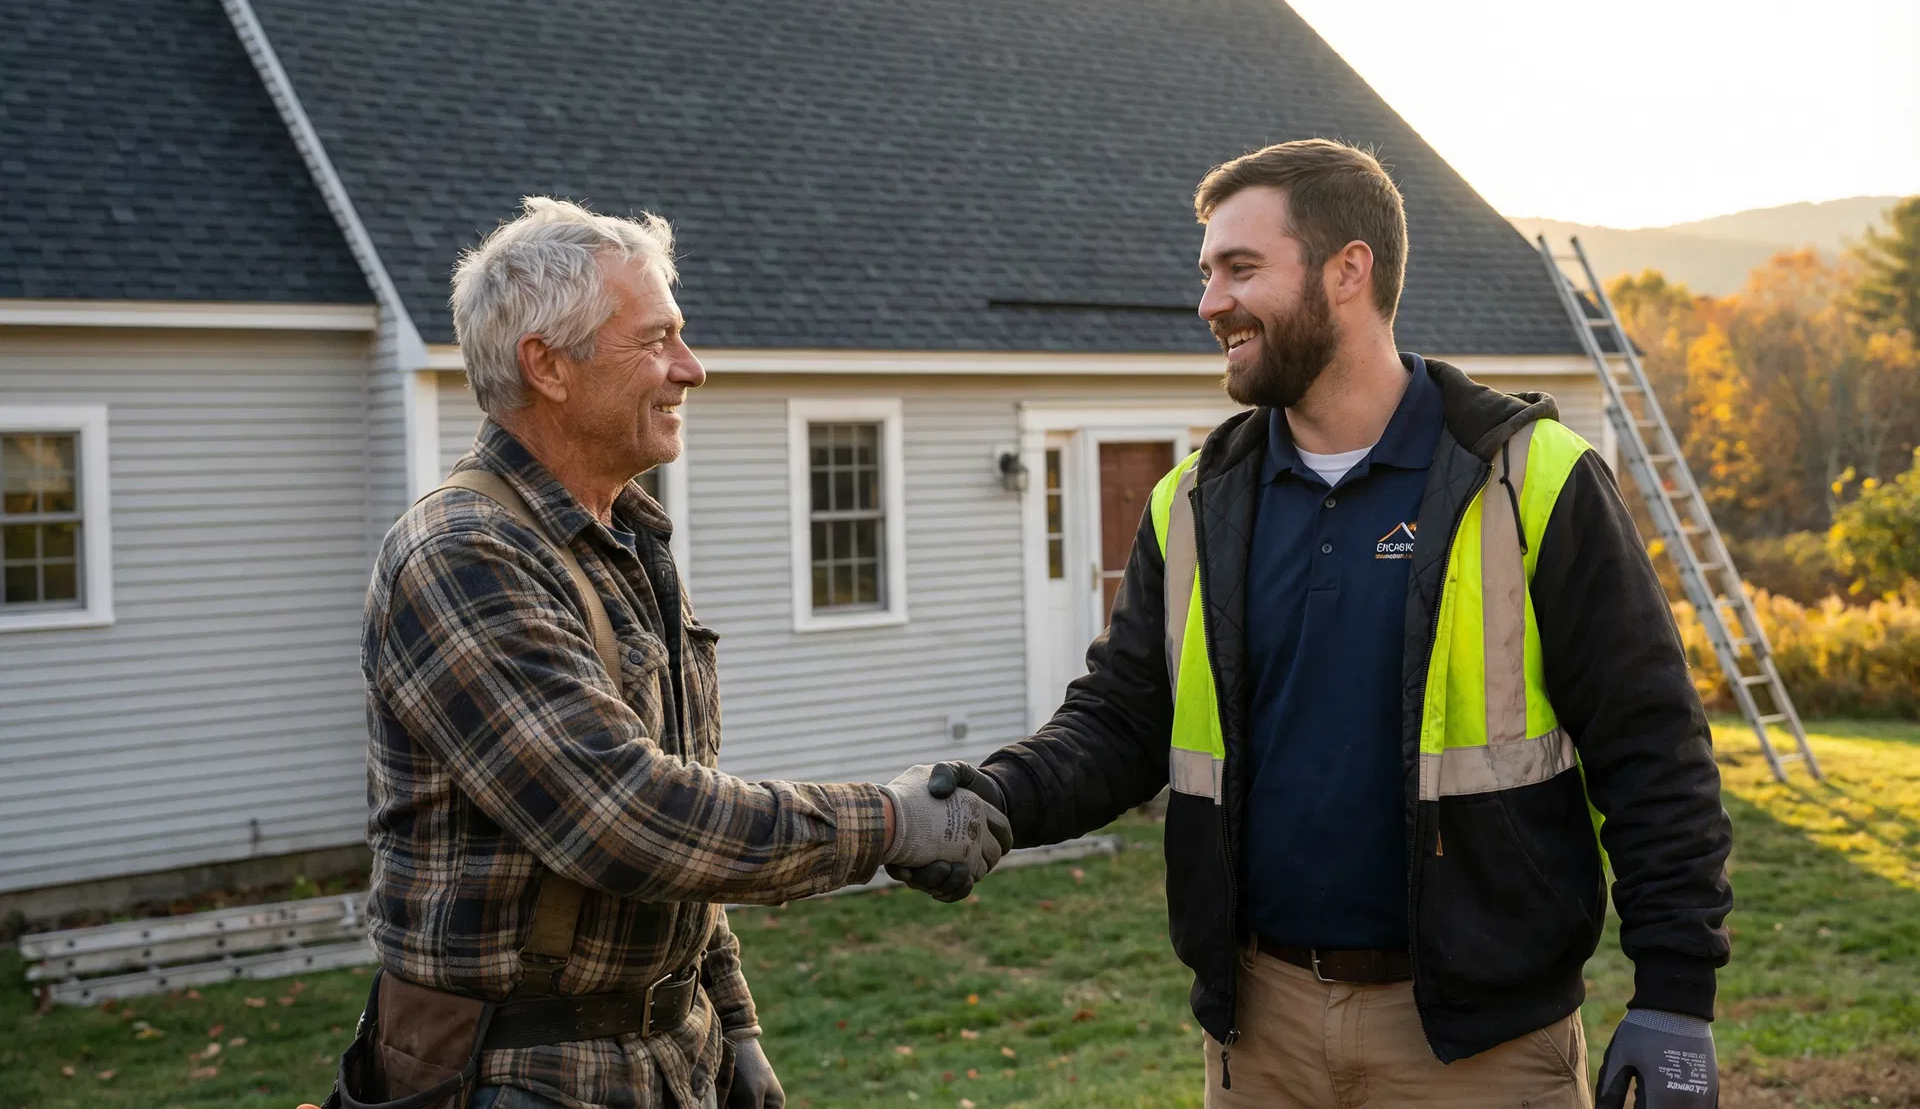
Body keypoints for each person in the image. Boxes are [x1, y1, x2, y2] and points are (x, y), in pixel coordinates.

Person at [894, 140, 1732, 1107]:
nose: (1211, 303)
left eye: (1241, 269)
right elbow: (1123, 722)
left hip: (1481, 1047)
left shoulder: (1529, 480)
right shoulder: (1195, 505)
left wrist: (1677, 995)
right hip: (1263, 1035)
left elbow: (1653, 746)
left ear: (1348, 271)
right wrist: (991, 797)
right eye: (1207, 273)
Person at [346, 197, 1007, 1109]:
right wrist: (888, 824)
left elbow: (682, 819)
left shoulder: (626, 540)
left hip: (664, 1059)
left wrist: (731, 1025)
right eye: (655, 340)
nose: (690, 370)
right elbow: (626, 820)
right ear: (548, 366)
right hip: (517, 1074)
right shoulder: (463, 554)